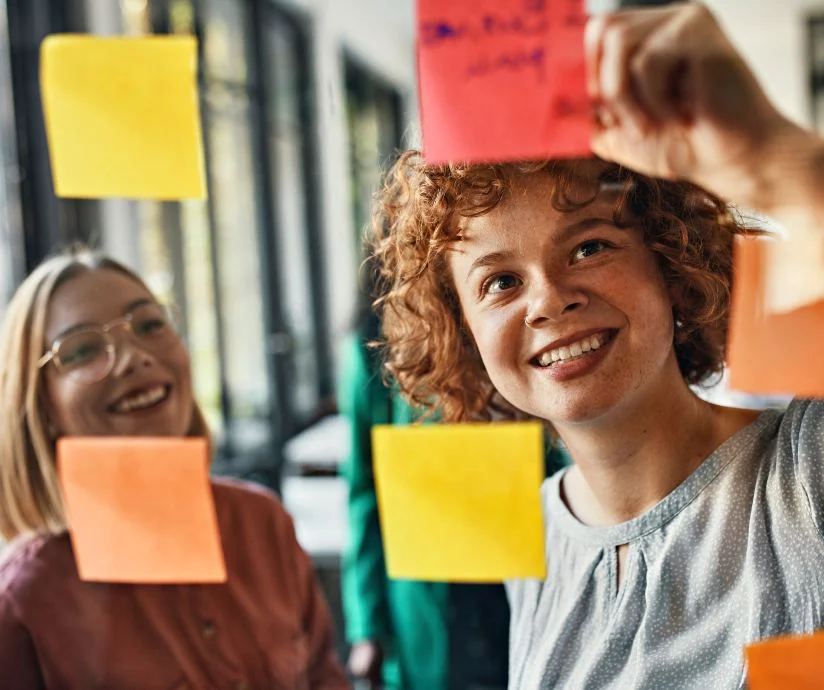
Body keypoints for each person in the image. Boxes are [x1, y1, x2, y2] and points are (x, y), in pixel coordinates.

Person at [369, 4, 824, 688]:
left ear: (668, 262)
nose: (549, 299)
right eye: (499, 282)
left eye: (589, 245)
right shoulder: (535, 536)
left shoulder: (802, 477)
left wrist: (772, 157)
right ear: (464, 334)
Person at [0, 248, 350, 689]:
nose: (133, 356)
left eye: (149, 325)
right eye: (83, 349)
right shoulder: (24, 601)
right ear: (40, 406)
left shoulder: (263, 524)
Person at [339, 255, 570, 690]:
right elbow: (364, 492)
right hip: (428, 591)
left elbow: (567, 449)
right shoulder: (375, 345)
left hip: (530, 563)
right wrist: (366, 625)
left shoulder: (516, 313)